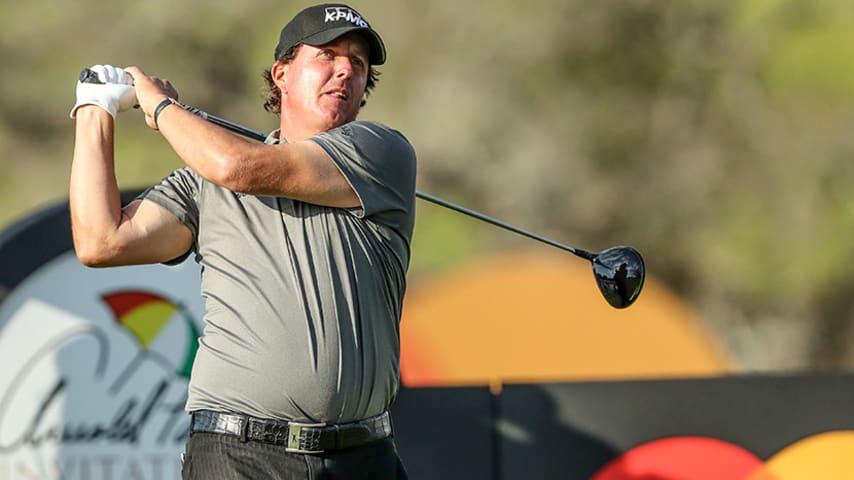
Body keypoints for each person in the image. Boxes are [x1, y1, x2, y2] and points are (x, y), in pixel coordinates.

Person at [69, 3, 415, 479]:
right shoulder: (202, 184)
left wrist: (161, 107)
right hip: (237, 455)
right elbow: (101, 241)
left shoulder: (380, 153)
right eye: (328, 55)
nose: (345, 71)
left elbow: (239, 168)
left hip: (361, 457)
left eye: (358, 63)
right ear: (282, 75)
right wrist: (95, 109)